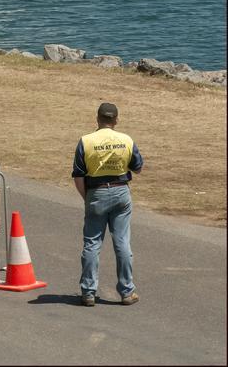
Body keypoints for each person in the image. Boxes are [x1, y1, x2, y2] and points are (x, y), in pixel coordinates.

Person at [72, 102, 144, 307]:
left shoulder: (86, 141)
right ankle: (127, 291)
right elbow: (138, 168)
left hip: (96, 191)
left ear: (97, 118)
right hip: (121, 190)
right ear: (116, 120)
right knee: (122, 242)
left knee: (92, 243)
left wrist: (87, 197)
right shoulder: (126, 140)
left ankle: (88, 291)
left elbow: (78, 175)